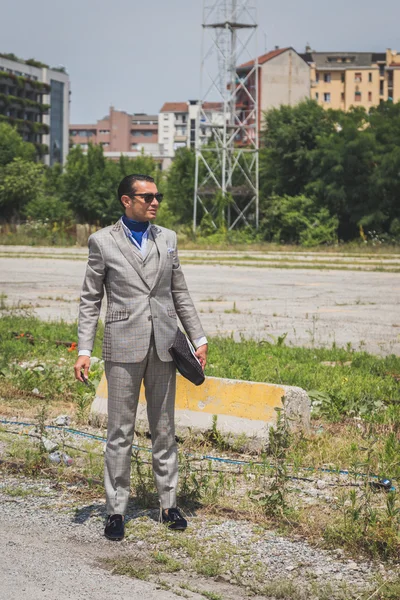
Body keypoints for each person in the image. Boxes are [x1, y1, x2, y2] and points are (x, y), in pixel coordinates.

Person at [74, 174, 207, 541]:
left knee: (164, 429)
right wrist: (84, 349)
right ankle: (115, 510)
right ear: (125, 200)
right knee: (120, 432)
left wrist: (198, 336)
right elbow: (90, 300)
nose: (155, 202)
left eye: (157, 196)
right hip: (122, 345)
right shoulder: (102, 241)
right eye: (146, 196)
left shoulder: (167, 239)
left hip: (165, 345)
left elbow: (180, 292)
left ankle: (168, 505)